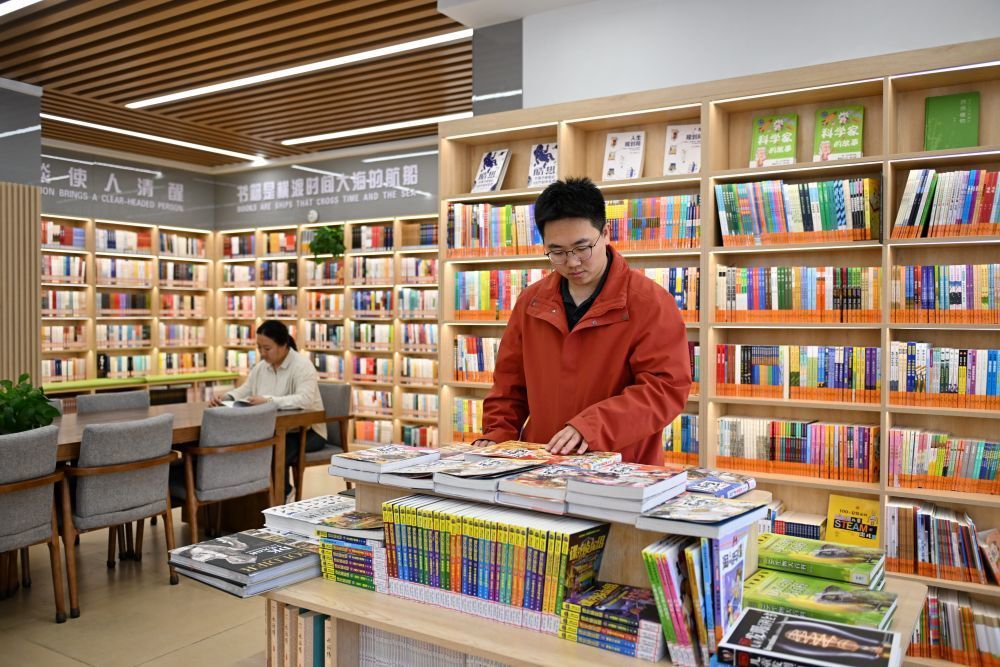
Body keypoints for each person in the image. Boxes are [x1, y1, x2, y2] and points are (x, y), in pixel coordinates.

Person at [473, 177, 692, 465]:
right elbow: (509, 386)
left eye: (582, 248)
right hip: (540, 465)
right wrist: (496, 434)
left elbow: (664, 389)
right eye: (557, 252)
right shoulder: (531, 303)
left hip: (621, 465)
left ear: (606, 233)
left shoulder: (650, 303)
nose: (572, 262)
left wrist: (591, 426)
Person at [210, 320, 327, 498]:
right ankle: (249, 502)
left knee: (273, 450)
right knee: (244, 446)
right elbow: (246, 389)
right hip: (273, 429)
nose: (262, 353)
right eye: (259, 348)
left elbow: (304, 400)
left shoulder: (302, 366)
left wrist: (268, 401)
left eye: (267, 348)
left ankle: (282, 493)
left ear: (284, 345)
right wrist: (227, 397)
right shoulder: (261, 367)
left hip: (308, 431)